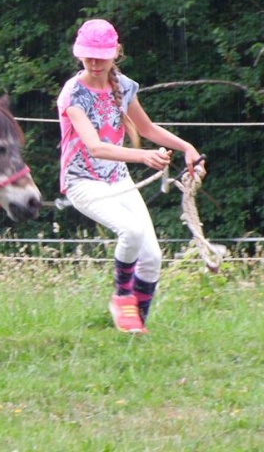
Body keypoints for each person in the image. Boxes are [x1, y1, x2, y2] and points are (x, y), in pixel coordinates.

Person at [57, 18, 204, 334]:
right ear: (79, 55)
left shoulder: (122, 86)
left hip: (118, 179)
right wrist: (143, 156)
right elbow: (95, 147)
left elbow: (148, 129)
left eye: (102, 56)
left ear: (115, 53)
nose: (95, 63)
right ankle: (121, 297)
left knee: (152, 258)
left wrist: (186, 147)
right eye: (88, 56)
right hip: (82, 182)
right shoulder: (73, 94)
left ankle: (135, 328)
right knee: (132, 232)